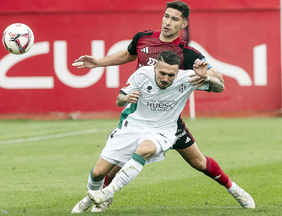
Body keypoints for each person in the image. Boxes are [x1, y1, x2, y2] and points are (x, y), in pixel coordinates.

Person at [72, 1, 255, 212]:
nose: (168, 22)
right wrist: (98, 62)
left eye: (175, 19)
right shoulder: (143, 38)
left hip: (168, 121)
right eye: (166, 16)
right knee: (113, 164)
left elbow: (217, 78)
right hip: (139, 115)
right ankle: (103, 198)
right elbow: (129, 54)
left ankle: (234, 189)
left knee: (198, 162)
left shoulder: (187, 54)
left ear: (183, 24)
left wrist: (208, 76)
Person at [72, 51, 232, 213]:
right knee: (98, 173)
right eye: (162, 73)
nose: (165, 79)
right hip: (132, 127)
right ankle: (92, 198)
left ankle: (106, 193)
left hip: (163, 130)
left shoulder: (188, 77)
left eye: (171, 75)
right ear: (154, 67)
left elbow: (220, 88)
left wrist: (207, 78)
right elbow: (119, 99)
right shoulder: (141, 75)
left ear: (178, 73)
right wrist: (126, 99)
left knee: (145, 150)